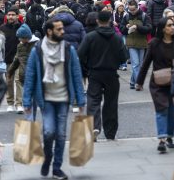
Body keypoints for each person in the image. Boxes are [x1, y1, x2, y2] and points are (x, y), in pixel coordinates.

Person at [23, 18, 85, 179]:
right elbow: (30, 76)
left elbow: (76, 75)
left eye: (62, 28)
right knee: (49, 131)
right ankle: (48, 157)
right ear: (49, 31)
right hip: (46, 99)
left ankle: (56, 167)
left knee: (61, 134)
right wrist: (27, 101)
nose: (63, 32)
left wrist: (81, 100)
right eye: (59, 29)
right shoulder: (37, 51)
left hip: (64, 98)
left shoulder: (68, 49)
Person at [78, 11, 128, 141]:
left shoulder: (90, 37)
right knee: (111, 103)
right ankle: (110, 132)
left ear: (98, 21)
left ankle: (94, 126)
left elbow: (80, 54)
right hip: (111, 73)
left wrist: (87, 66)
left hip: (95, 72)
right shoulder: (117, 38)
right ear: (110, 20)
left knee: (93, 100)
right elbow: (124, 56)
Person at [136, 17, 174, 153]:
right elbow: (146, 63)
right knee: (162, 109)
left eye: (173, 25)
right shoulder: (154, 43)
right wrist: (139, 81)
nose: (173, 27)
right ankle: (162, 139)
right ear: (162, 29)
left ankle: (170, 136)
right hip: (158, 83)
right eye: (169, 25)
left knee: (173, 111)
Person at [120, 0, 152, 90]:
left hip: (142, 43)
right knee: (135, 64)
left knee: (140, 65)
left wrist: (137, 27)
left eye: (133, 10)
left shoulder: (144, 16)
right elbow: (121, 28)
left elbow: (149, 28)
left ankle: (132, 82)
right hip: (131, 43)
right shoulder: (126, 16)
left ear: (137, 7)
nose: (132, 12)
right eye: (130, 10)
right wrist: (126, 27)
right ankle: (138, 83)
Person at [8, 24, 39, 115]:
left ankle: (33, 121)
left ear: (26, 37)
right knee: (27, 102)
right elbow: (16, 60)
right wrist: (10, 72)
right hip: (24, 76)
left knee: (35, 101)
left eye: (20, 38)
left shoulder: (38, 45)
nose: (19, 40)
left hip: (35, 76)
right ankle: (30, 121)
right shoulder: (20, 46)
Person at [0, 6, 23, 113]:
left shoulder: (23, 27)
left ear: (17, 16)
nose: (11, 17)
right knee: (9, 81)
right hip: (7, 58)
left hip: (20, 59)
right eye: (9, 15)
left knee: (18, 81)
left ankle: (19, 103)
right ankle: (10, 102)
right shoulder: (2, 28)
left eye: (13, 15)